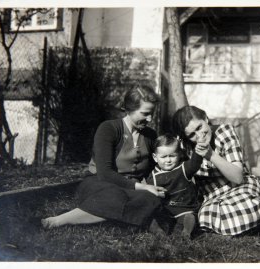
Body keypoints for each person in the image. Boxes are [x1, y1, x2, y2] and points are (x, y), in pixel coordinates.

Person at [42, 85, 168, 232]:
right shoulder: (109, 129)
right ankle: (58, 221)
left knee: (150, 198)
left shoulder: (150, 135)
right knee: (115, 196)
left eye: (152, 113)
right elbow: (105, 173)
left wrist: (152, 186)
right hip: (100, 183)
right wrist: (143, 187)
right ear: (128, 109)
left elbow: (152, 168)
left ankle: (118, 220)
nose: (150, 118)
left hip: (132, 189)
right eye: (145, 113)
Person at [172, 105, 260, 236]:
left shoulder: (224, 132)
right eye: (192, 135)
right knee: (206, 215)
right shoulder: (186, 148)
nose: (199, 136)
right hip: (213, 197)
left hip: (239, 187)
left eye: (199, 127)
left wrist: (211, 155)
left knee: (245, 204)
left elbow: (238, 177)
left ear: (206, 118)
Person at [146, 134, 203, 238]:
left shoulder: (184, 168)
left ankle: (186, 232)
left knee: (189, 217)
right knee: (154, 218)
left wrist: (199, 147)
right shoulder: (153, 176)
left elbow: (195, 162)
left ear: (179, 154)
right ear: (155, 157)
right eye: (163, 157)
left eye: (172, 156)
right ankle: (159, 232)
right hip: (166, 210)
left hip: (184, 208)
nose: (168, 160)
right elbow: (150, 194)